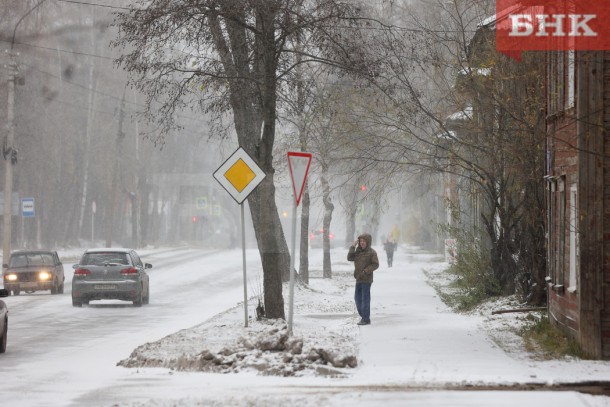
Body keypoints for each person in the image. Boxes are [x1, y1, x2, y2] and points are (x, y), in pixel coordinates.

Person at [347, 233, 379, 325]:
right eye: (360, 241)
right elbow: (349, 258)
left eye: (364, 241)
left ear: (367, 242)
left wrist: (366, 271)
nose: (362, 243)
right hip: (358, 278)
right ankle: (364, 316)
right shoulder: (358, 251)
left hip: (366, 279)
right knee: (357, 298)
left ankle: (365, 318)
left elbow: (375, 264)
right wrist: (353, 246)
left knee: (365, 298)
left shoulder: (372, 252)